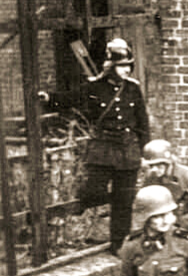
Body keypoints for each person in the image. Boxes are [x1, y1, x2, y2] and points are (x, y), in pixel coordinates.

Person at [40, 38, 150, 253]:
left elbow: (142, 122)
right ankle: (100, 203)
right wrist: (49, 97)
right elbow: (70, 98)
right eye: (121, 66)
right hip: (103, 149)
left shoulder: (133, 89)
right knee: (91, 191)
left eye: (128, 65)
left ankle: (120, 246)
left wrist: (144, 151)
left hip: (128, 150)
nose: (126, 70)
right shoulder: (95, 87)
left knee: (124, 204)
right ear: (110, 67)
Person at [140, 139, 188, 244]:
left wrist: (176, 221)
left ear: (169, 163)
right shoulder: (151, 179)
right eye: (151, 166)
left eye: (159, 165)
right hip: (162, 234)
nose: (154, 169)